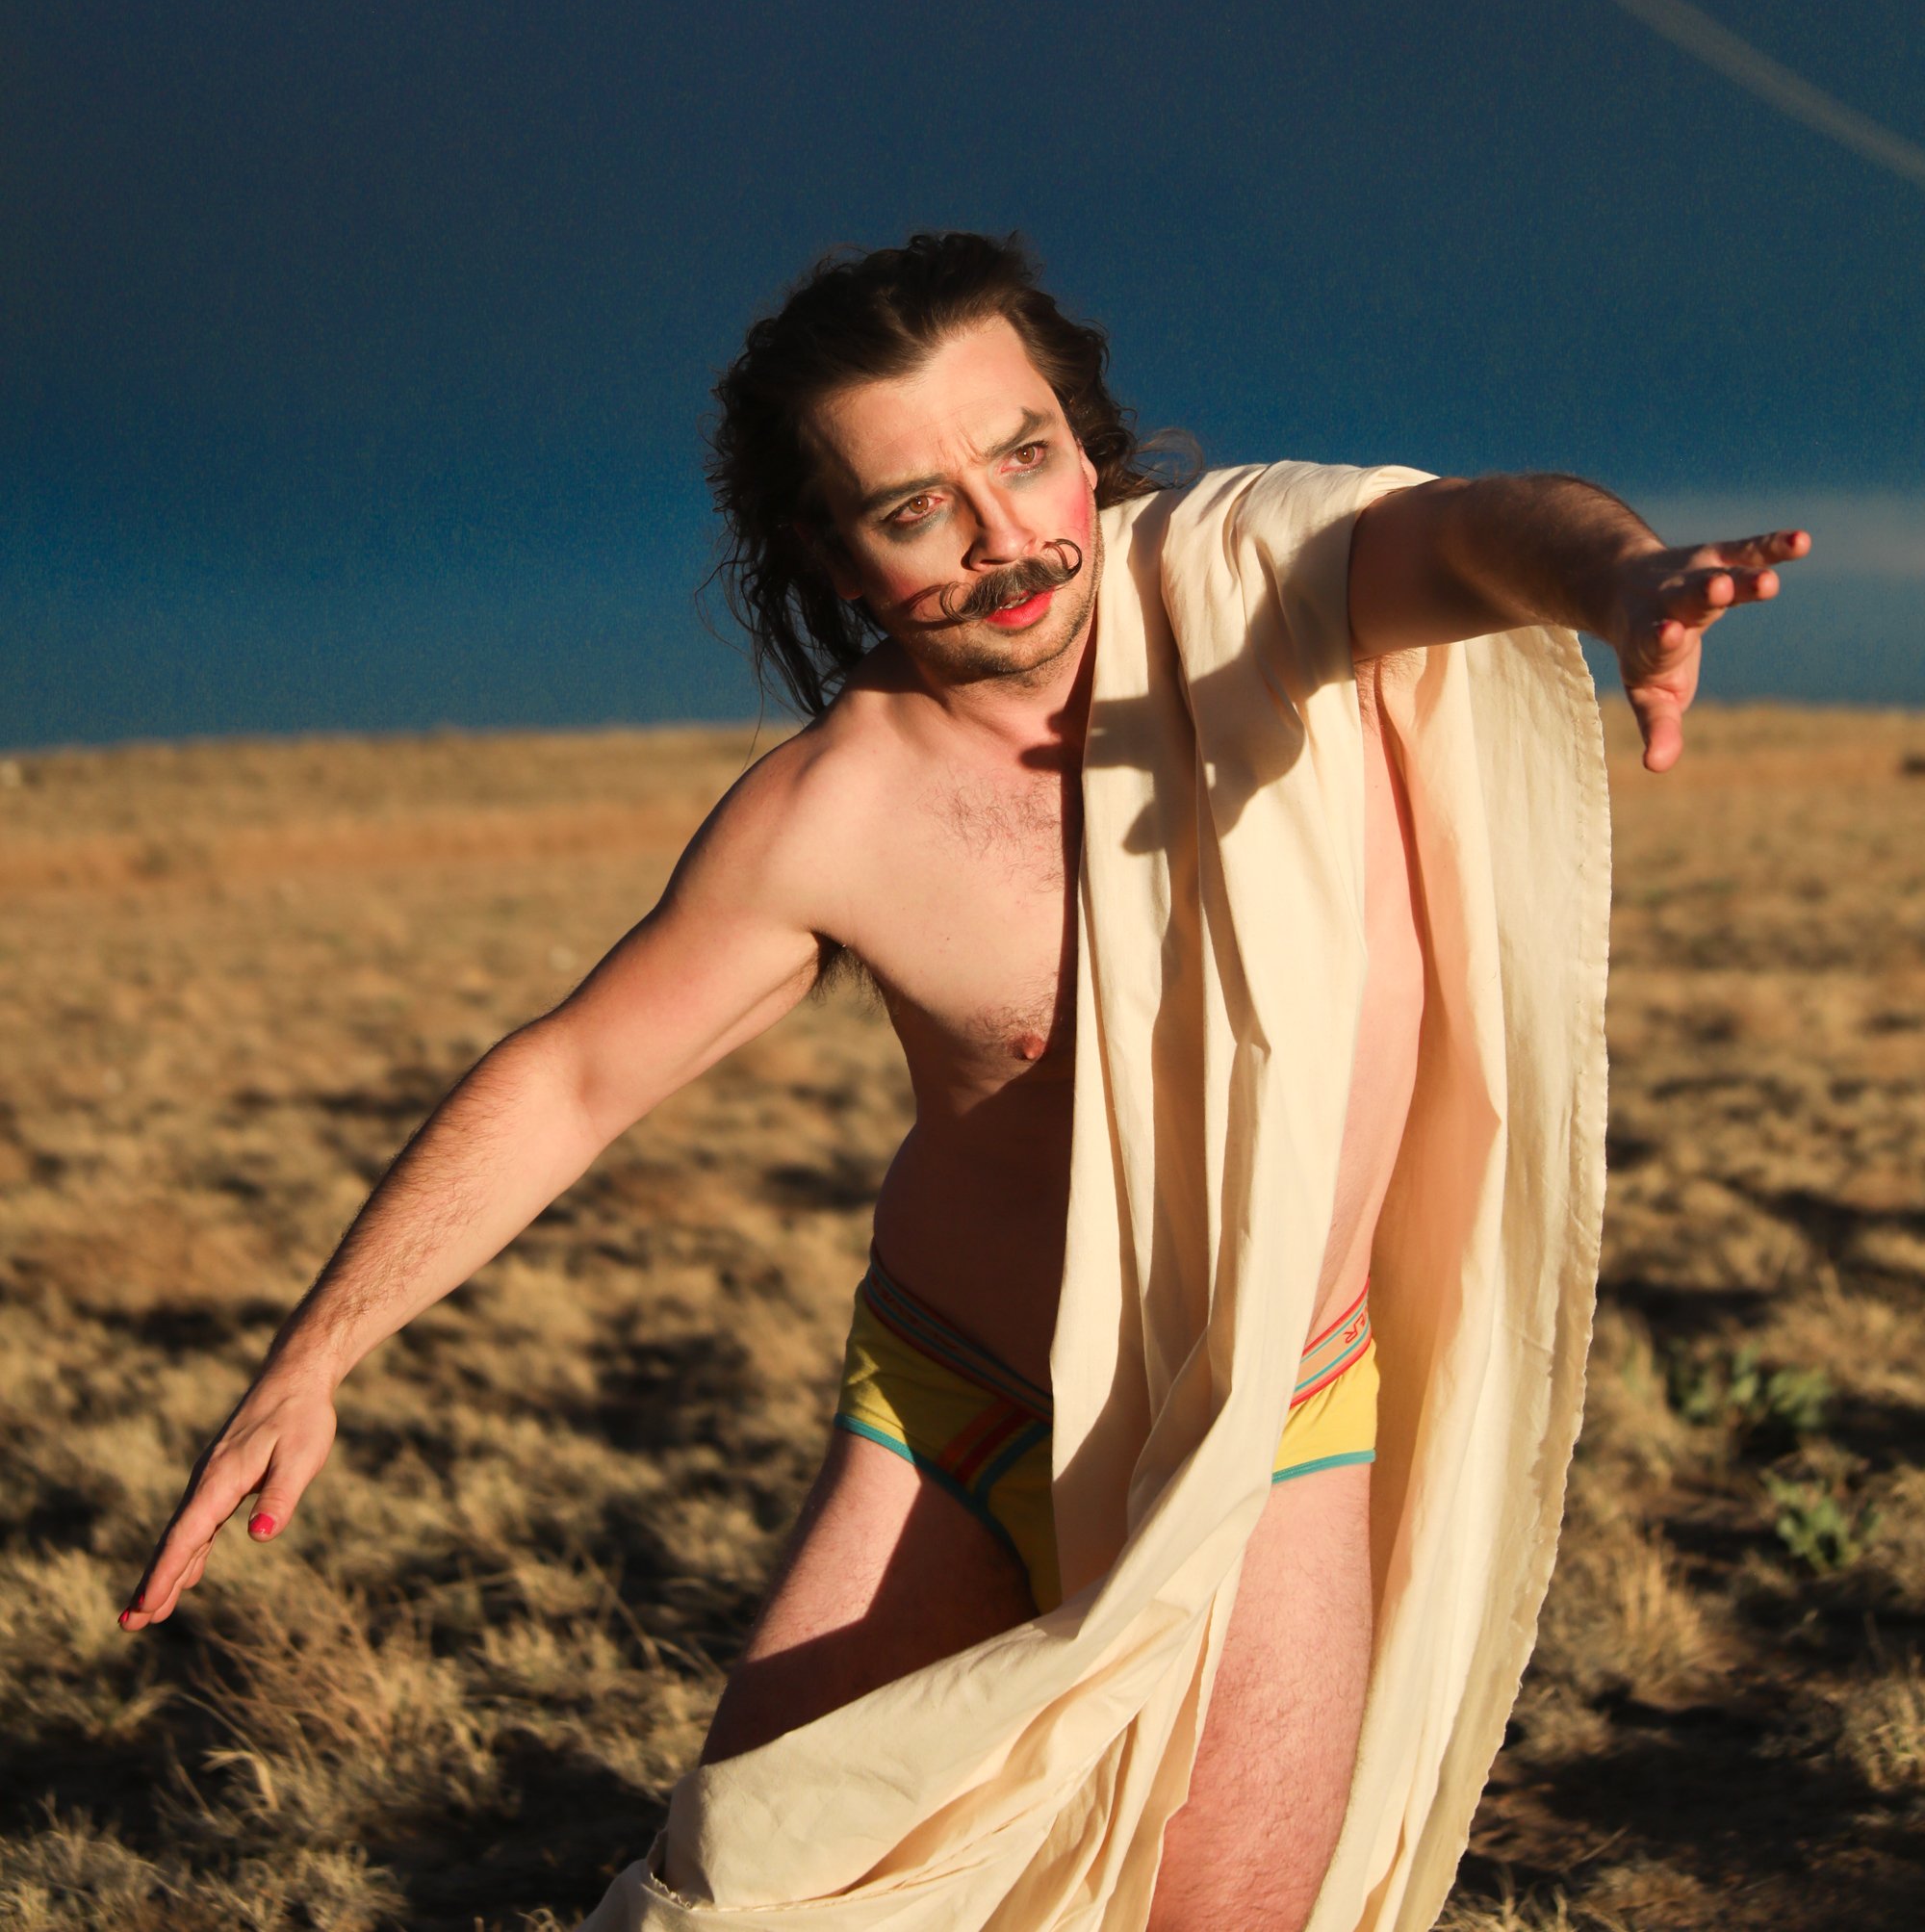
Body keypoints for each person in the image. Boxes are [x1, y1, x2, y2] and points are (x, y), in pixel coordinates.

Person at [121, 232, 1807, 1932]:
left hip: (1264, 1419)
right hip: (956, 1413)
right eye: (918, 507)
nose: (1009, 541)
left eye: (1023, 455)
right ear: (831, 554)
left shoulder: (1272, 590)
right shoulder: (834, 815)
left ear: (1083, 438)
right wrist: (318, 1350)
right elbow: (573, 1077)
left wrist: (1617, 582)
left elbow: (1466, 528)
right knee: (744, 1901)